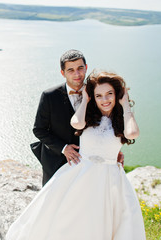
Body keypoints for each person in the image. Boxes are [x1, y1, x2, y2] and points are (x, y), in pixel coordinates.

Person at [6, 71, 146, 240]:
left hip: (109, 179)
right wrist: (86, 99)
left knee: (101, 221)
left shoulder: (123, 118)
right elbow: (76, 123)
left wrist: (125, 105)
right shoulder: (88, 115)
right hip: (80, 172)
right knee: (69, 218)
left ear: (117, 94)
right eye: (99, 95)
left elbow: (131, 134)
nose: (105, 100)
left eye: (109, 94)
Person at [31, 49, 123, 186]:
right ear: (63, 73)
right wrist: (63, 148)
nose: (77, 74)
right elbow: (39, 130)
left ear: (86, 68)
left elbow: (108, 121)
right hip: (55, 161)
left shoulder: (97, 94)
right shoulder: (49, 96)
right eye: (71, 70)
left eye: (80, 68)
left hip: (87, 163)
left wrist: (114, 149)